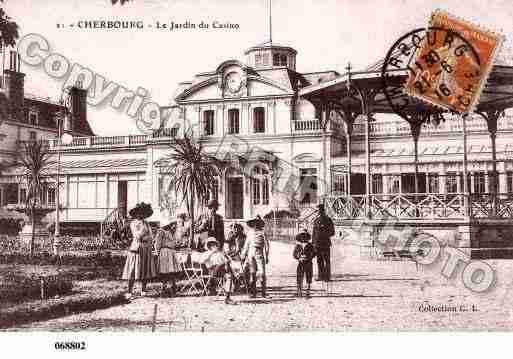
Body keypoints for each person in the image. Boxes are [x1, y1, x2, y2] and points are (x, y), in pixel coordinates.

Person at [121, 202, 157, 300]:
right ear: (136, 213)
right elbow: (137, 235)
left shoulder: (146, 223)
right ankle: (129, 291)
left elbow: (151, 237)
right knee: (132, 269)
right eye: (139, 212)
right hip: (136, 248)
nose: (141, 214)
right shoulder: (133, 223)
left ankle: (143, 290)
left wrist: (147, 237)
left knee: (145, 269)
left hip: (145, 248)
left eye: (143, 212)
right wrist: (144, 233)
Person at [201, 237, 236, 305]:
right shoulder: (206, 253)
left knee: (229, 276)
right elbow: (202, 261)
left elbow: (226, 261)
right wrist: (211, 253)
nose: (214, 246)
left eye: (215, 244)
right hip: (212, 270)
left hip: (222, 270)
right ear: (209, 246)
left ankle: (227, 297)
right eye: (212, 245)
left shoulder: (219, 253)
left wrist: (227, 258)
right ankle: (234, 274)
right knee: (225, 266)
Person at [241, 215, 269, 298]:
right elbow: (246, 245)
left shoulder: (262, 233)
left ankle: (263, 292)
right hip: (250, 253)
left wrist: (266, 256)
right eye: (254, 223)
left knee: (262, 273)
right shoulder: (249, 233)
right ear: (252, 224)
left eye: (257, 223)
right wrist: (243, 254)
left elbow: (267, 246)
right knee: (252, 273)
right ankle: (253, 292)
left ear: (259, 224)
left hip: (259, 252)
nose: (255, 225)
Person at [154, 218, 181, 297]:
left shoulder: (170, 233)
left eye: (175, 225)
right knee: (165, 271)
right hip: (164, 253)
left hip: (170, 253)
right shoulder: (161, 232)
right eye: (173, 225)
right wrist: (158, 253)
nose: (174, 227)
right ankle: (164, 288)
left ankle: (172, 288)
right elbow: (157, 244)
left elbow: (173, 243)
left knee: (171, 271)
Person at [312, 203, 335, 282]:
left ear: (322, 211)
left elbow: (332, 232)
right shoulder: (316, 221)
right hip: (317, 244)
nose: (318, 212)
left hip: (325, 243)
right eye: (317, 211)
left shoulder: (328, 220)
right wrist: (313, 244)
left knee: (327, 260)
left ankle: (327, 277)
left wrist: (324, 235)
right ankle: (320, 276)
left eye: (319, 211)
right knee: (319, 261)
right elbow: (313, 233)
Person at [293, 227, 316, 297]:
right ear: (300, 237)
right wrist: (298, 257)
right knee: (299, 275)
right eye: (302, 236)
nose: (303, 238)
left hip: (308, 263)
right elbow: (294, 254)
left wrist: (309, 257)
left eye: (305, 236)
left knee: (308, 276)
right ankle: (299, 290)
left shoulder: (310, 245)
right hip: (301, 263)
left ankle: (307, 290)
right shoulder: (298, 245)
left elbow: (314, 253)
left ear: (307, 237)